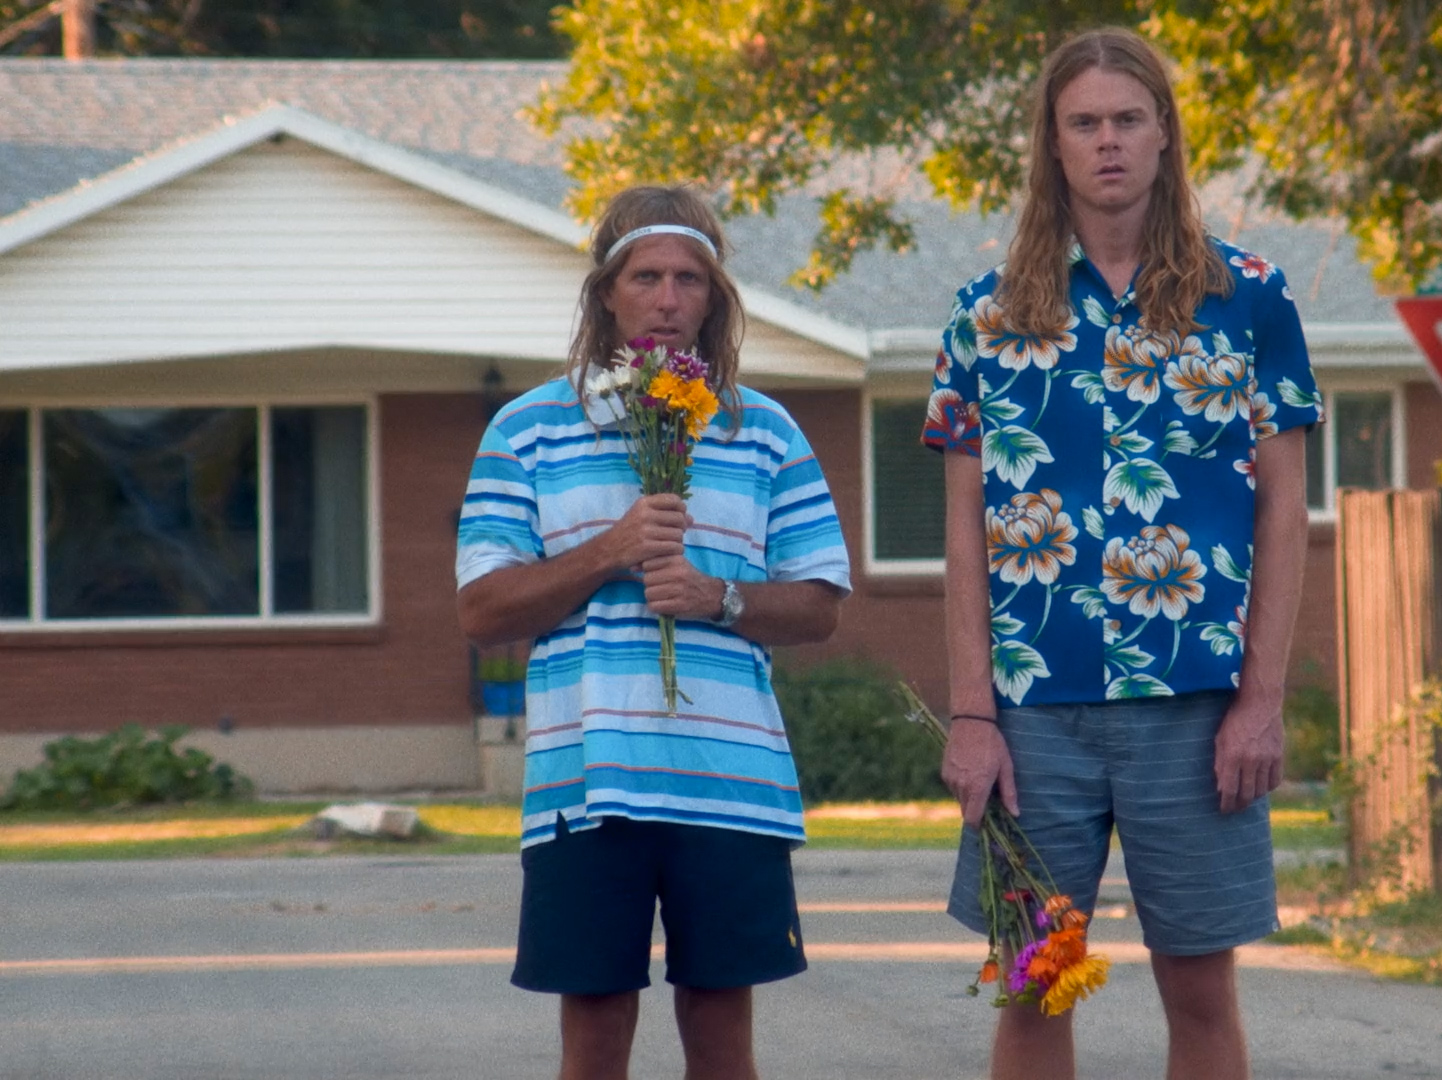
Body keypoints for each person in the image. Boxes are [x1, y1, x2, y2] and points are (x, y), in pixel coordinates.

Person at [921, 28, 1323, 1080]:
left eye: (1127, 120)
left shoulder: (1250, 298)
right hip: (1033, 714)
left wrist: (1262, 701)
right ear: (1052, 145)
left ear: (1165, 136)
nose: (1107, 142)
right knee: (1037, 991)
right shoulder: (985, 316)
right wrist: (972, 714)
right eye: (1084, 123)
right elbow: (962, 530)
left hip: (1196, 710)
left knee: (1199, 994)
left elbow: (1286, 512)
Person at [455, 185, 851, 1080]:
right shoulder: (525, 430)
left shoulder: (764, 430)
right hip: (584, 787)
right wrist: (610, 550)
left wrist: (721, 597)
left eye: (690, 279)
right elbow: (482, 615)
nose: (668, 299)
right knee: (593, 1040)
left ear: (715, 298)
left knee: (721, 1038)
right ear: (606, 293)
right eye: (646, 277)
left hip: (729, 782)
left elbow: (822, 602)